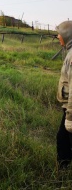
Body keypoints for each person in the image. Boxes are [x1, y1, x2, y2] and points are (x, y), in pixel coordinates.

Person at [56, 21, 72, 169]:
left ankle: (64, 168)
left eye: (60, 34)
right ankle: (64, 168)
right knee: (63, 139)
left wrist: (70, 117)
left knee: (64, 139)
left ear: (67, 36)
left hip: (71, 108)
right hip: (67, 107)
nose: (57, 36)